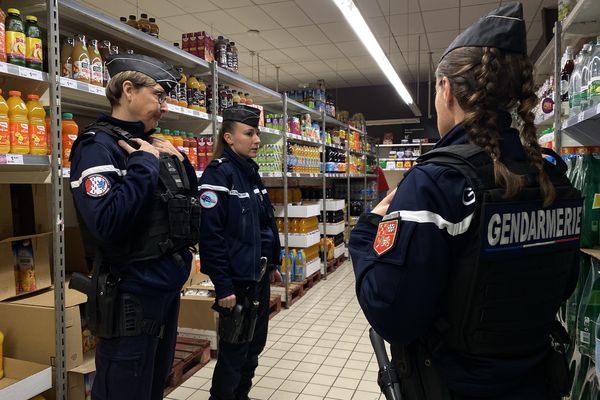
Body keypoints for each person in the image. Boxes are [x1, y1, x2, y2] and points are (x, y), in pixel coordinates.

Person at [349, 3, 582, 400]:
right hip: (537, 381)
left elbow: (393, 315)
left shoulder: (435, 184)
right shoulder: (553, 178)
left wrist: (365, 232)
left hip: (453, 385)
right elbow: (562, 286)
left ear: (446, 90)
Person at [68, 54, 199, 400]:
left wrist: (179, 161)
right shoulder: (96, 148)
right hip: (130, 300)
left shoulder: (152, 144)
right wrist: (144, 164)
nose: (165, 106)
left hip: (162, 293)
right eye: (159, 95)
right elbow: (106, 224)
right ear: (128, 90)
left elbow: (185, 209)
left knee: (152, 387)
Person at [198, 105, 282, 400]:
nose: (256, 139)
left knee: (253, 349)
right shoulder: (218, 175)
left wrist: (274, 261)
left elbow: (265, 225)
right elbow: (210, 235)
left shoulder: (251, 173)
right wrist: (222, 284)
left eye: (257, 132)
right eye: (249, 133)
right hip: (235, 284)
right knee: (233, 355)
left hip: (257, 278)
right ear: (229, 138)